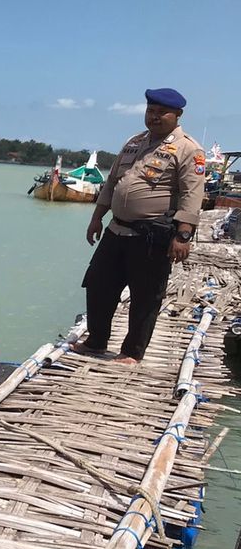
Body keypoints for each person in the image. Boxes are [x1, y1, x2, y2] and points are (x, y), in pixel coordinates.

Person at [78, 88, 206, 364]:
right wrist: (97, 217)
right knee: (99, 284)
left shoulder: (188, 149)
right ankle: (96, 341)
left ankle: (132, 352)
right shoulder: (134, 142)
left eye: (162, 112)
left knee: (145, 295)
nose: (154, 117)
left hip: (151, 235)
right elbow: (112, 182)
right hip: (116, 229)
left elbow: (191, 195)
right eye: (150, 111)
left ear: (178, 115)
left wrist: (183, 236)